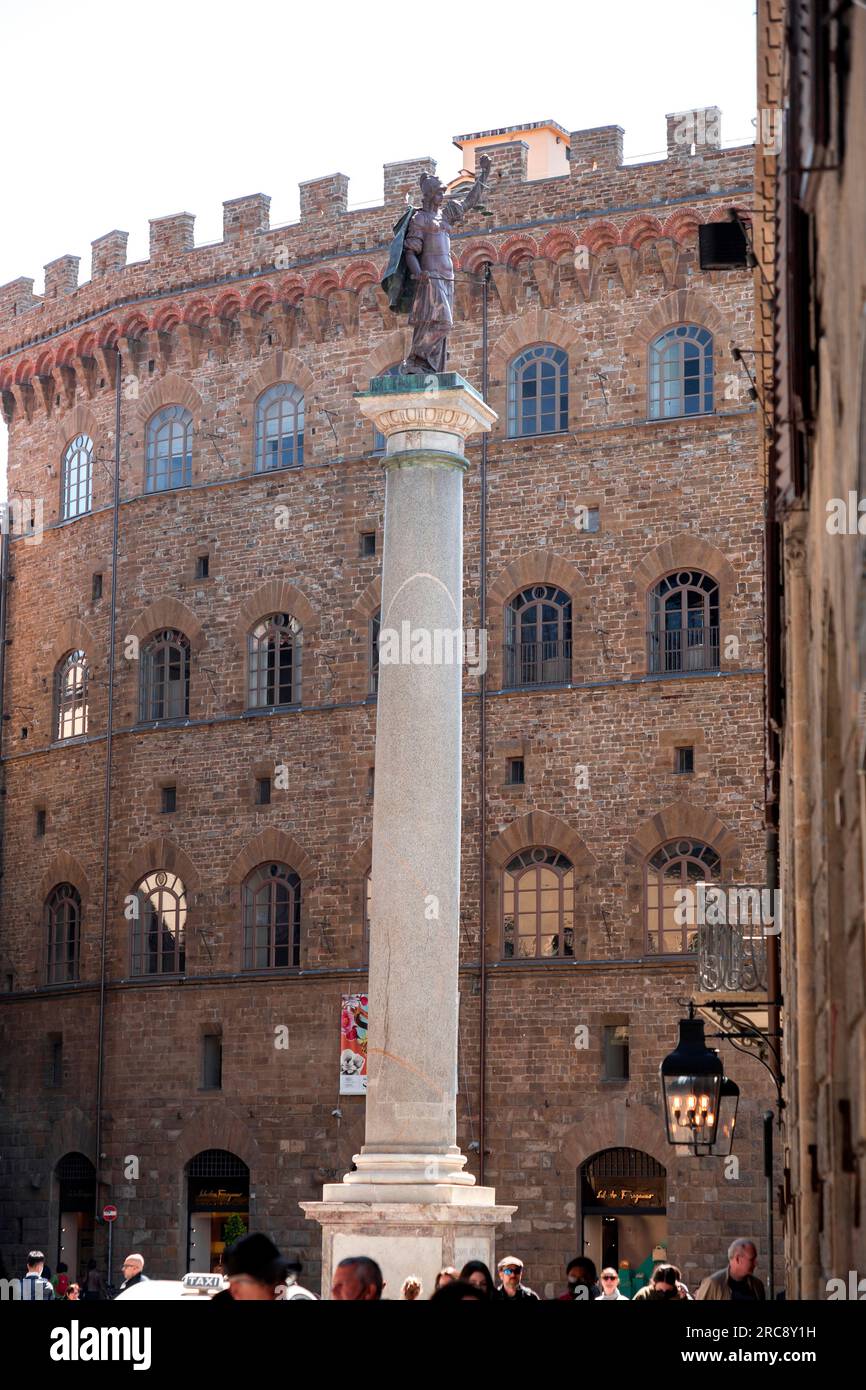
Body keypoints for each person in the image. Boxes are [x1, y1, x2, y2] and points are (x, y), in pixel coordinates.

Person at [695, 1238, 765, 1301]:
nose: (756, 1263)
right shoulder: (713, 1284)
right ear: (737, 1259)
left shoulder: (757, 1285)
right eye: (751, 1259)